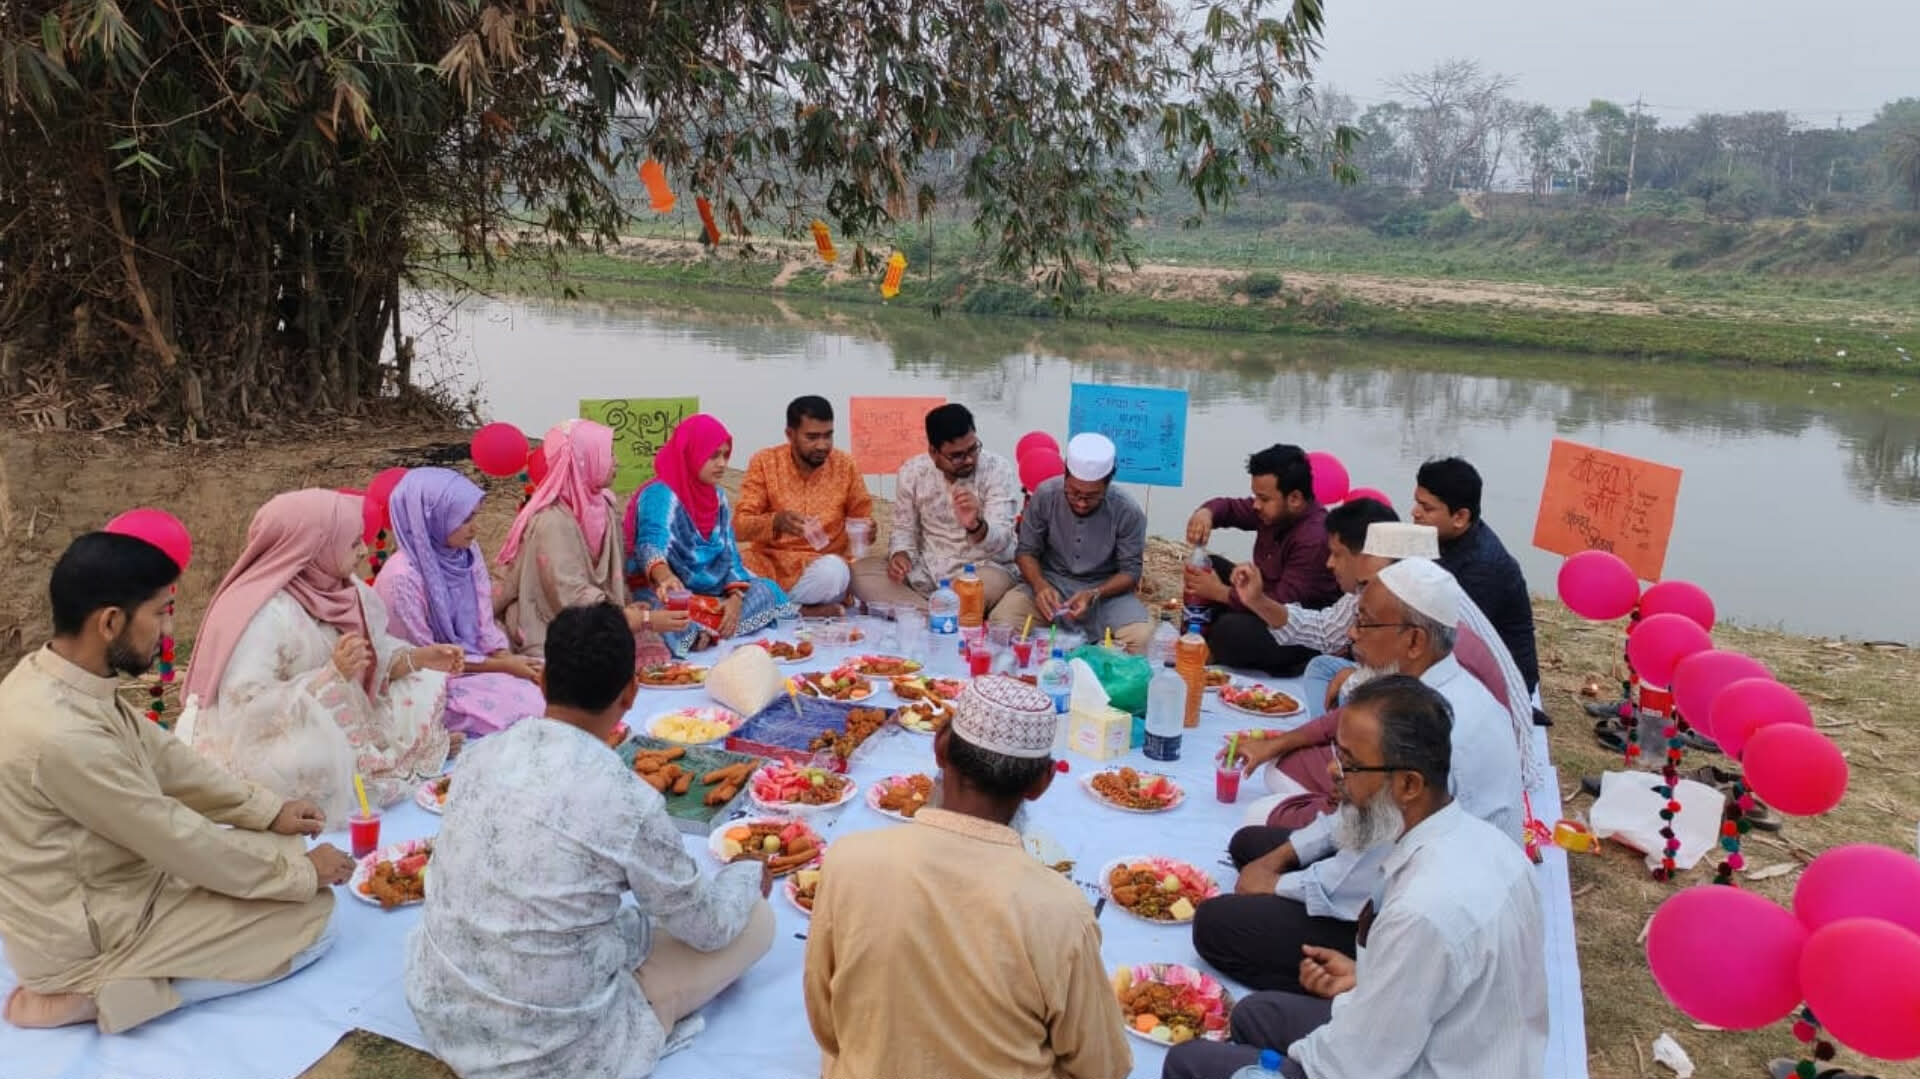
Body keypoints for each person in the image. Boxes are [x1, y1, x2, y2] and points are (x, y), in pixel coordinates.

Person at [406, 603, 774, 1079]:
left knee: (616, 918)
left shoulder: (481, 755)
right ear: (631, 695)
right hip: (553, 1053)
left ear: (541, 683)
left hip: (444, 1010)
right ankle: (638, 1011)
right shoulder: (627, 799)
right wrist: (745, 877)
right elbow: (707, 926)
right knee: (757, 922)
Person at [0, 531, 349, 1033]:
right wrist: (302, 877)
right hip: (94, 932)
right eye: (161, 612)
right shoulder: (61, 734)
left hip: (122, 883)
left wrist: (266, 810)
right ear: (111, 622)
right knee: (314, 921)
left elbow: (164, 760)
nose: (170, 629)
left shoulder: (53, 676)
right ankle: (99, 995)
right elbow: (172, 836)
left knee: (281, 845)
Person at [1163, 677, 1547, 1079]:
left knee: (1189, 1062)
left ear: (1408, 784)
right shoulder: (1488, 844)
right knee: (1252, 1015)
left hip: (1408, 1065)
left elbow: (1353, 1065)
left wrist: (1281, 1061)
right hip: (1436, 1042)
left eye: (1350, 762)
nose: (1332, 770)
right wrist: (1368, 981)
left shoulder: (1423, 912)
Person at [1191, 558, 1525, 994]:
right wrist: (1283, 857)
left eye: (1365, 625)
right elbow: (1360, 810)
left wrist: (1278, 884)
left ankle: (1353, 990)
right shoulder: (1425, 691)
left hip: (1415, 920)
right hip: (1389, 862)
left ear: (1414, 641)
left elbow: (1367, 871)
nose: (1351, 636)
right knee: (1252, 844)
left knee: (1217, 925)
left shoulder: (1431, 727)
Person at [804, 676, 1131, 1079]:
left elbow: (827, 1025)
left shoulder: (848, 861)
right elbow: (1103, 1067)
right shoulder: (1061, 911)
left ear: (941, 748)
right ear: (1042, 783)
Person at [177, 489, 459, 819]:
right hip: (272, 732)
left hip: (341, 708)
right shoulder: (265, 613)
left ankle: (405, 756)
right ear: (313, 549)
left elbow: (372, 659)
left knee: (420, 685)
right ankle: (396, 761)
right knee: (311, 760)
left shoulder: (346, 589)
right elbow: (244, 707)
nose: (364, 551)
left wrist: (417, 658)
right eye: (354, 543)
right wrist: (330, 677)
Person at [495, 418, 683, 662]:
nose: (617, 461)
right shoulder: (552, 521)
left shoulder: (603, 507)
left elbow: (615, 579)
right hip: (556, 626)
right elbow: (568, 595)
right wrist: (635, 619)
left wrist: (629, 610)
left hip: (604, 614)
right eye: (608, 453)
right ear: (584, 459)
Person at [375, 468, 543, 737]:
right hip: (429, 683)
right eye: (464, 519)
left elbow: (484, 622)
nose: (475, 527)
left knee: (551, 680)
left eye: (474, 516)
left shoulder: (465, 552)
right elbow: (428, 658)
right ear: (433, 519)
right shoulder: (402, 579)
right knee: (526, 709)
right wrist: (502, 667)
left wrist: (505, 658)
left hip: (476, 664)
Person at [627, 413, 797, 655]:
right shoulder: (661, 493)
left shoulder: (717, 497)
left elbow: (729, 554)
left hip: (713, 592)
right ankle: (701, 631)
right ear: (691, 453)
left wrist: (736, 598)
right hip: (669, 592)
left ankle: (708, 631)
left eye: (725, 455)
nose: (722, 464)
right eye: (713, 456)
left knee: (766, 590)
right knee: (664, 613)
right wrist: (665, 577)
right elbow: (649, 545)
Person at [1228, 498, 1402, 717]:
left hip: (1408, 696)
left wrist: (1359, 677)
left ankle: (1328, 736)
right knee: (1322, 666)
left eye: (1337, 554)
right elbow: (1324, 631)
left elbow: (1413, 672)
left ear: (1366, 557)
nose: (1329, 563)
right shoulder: (1361, 589)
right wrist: (1257, 601)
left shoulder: (1407, 594)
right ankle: (1323, 728)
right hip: (1382, 678)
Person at [1184, 444, 1341, 675]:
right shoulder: (1272, 510)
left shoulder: (1314, 538)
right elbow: (1229, 508)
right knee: (1209, 565)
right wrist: (1205, 513)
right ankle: (1202, 640)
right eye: (1255, 496)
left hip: (1293, 629)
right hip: (1260, 598)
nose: (1256, 504)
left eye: (1263, 498)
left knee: (1230, 631)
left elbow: (1282, 603)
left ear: (1295, 498)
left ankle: (1218, 644)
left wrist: (1219, 593)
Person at [851, 403, 1021, 613]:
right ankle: (936, 613)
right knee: (859, 574)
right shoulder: (913, 472)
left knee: (985, 584)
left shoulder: (997, 470)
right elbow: (904, 530)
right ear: (933, 452)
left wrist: (976, 526)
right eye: (957, 455)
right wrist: (900, 556)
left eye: (973, 449)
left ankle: (924, 613)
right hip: (926, 573)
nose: (968, 460)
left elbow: (1002, 540)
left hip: (982, 569)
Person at [992, 433, 1152, 651]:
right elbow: (1026, 552)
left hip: (1105, 594)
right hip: (1051, 584)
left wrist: (1095, 594)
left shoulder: (1127, 511)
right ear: (1065, 475)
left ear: (1108, 483)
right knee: (1003, 621)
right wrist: (1040, 586)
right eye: (1074, 493)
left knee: (1142, 638)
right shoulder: (1046, 495)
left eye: (1092, 496)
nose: (1082, 503)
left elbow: (1131, 572)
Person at [1411, 457, 1540, 702]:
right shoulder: (1448, 537)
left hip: (1502, 686)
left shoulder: (1483, 566)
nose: (1415, 513)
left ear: (1460, 517)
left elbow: (1452, 642)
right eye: (1417, 503)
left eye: (1427, 508)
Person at [734, 396, 875, 614]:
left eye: (828, 436)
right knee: (728, 565)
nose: (822, 445)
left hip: (819, 570)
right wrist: (776, 522)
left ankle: (773, 608)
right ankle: (799, 611)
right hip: (769, 565)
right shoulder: (765, 462)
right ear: (790, 434)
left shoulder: (845, 465)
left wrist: (870, 530)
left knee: (834, 573)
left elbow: (862, 520)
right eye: (812, 437)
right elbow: (739, 527)